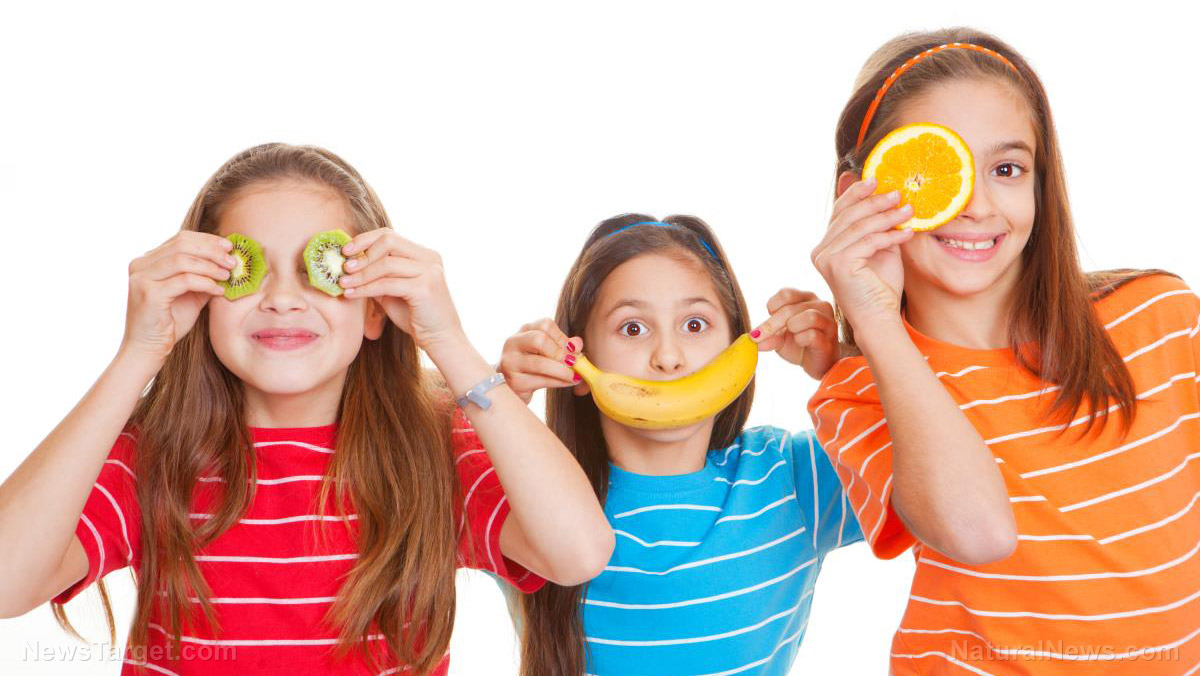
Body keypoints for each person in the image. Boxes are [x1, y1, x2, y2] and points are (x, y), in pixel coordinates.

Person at [809, 28, 1200, 674]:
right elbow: (979, 532)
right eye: (935, 173)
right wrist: (873, 318)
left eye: (1007, 169)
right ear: (858, 195)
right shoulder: (862, 390)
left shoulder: (1160, 316)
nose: (976, 205)